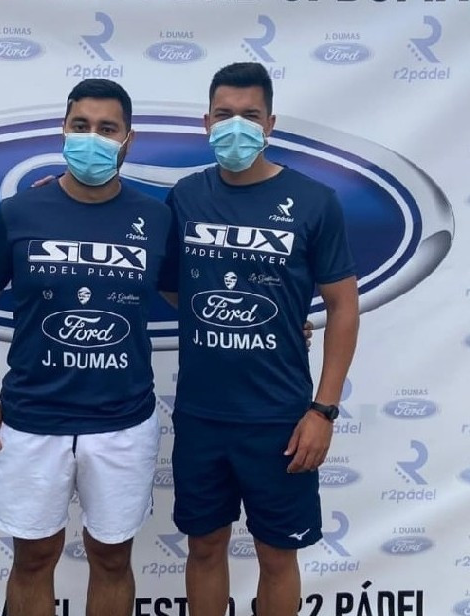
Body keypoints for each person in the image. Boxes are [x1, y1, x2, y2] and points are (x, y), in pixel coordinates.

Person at [0, 78, 172, 616]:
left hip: (123, 421)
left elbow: (188, 294)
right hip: (34, 416)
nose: (92, 138)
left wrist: (282, 322)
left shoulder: (156, 218)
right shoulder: (20, 212)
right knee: (33, 559)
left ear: (128, 140)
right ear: (63, 130)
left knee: (112, 559)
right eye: (81, 126)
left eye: (107, 128)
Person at [159, 62, 359, 616]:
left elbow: (343, 306)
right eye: (224, 114)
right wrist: (236, 316)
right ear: (206, 122)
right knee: (204, 547)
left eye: (249, 115)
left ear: (270, 123)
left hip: (280, 417)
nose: (236, 126)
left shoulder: (315, 201)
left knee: (276, 555)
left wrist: (323, 410)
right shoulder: (186, 197)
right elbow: (173, 286)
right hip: (201, 414)